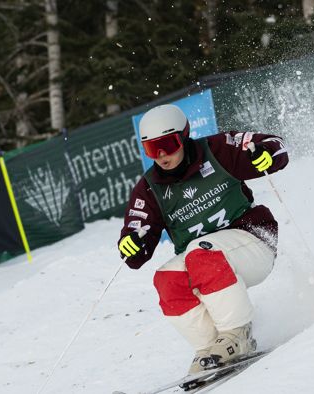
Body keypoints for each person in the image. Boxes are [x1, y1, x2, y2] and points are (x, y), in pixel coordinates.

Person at [118, 104, 289, 374]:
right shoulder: (149, 189)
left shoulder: (218, 149)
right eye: (152, 149)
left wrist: (268, 155)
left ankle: (237, 334)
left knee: (199, 251)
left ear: (184, 136)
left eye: (167, 144)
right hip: (207, 267)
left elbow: (273, 144)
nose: (162, 155)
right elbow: (136, 242)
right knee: (167, 277)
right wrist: (131, 244)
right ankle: (212, 347)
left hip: (254, 243)